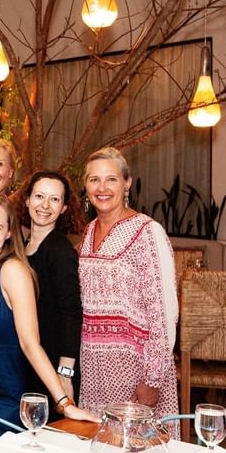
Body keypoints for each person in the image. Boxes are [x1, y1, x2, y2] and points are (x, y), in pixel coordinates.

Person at [0, 195, 98, 446]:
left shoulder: (12, 270)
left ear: (8, 233)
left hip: (0, 398)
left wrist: (64, 404)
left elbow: (30, 344)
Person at [78, 147, 178, 419]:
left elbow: (164, 314)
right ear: (85, 186)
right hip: (94, 370)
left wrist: (152, 380)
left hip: (137, 372)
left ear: (127, 183)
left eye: (111, 179)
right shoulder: (88, 233)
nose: (102, 187)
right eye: (94, 179)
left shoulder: (148, 232)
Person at [23, 170, 82, 402]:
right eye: (39, 196)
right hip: (32, 361)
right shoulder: (25, 244)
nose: (45, 205)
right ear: (27, 199)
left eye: (55, 199)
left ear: (64, 208)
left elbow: (72, 312)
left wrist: (65, 374)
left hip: (54, 366)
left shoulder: (59, 249)